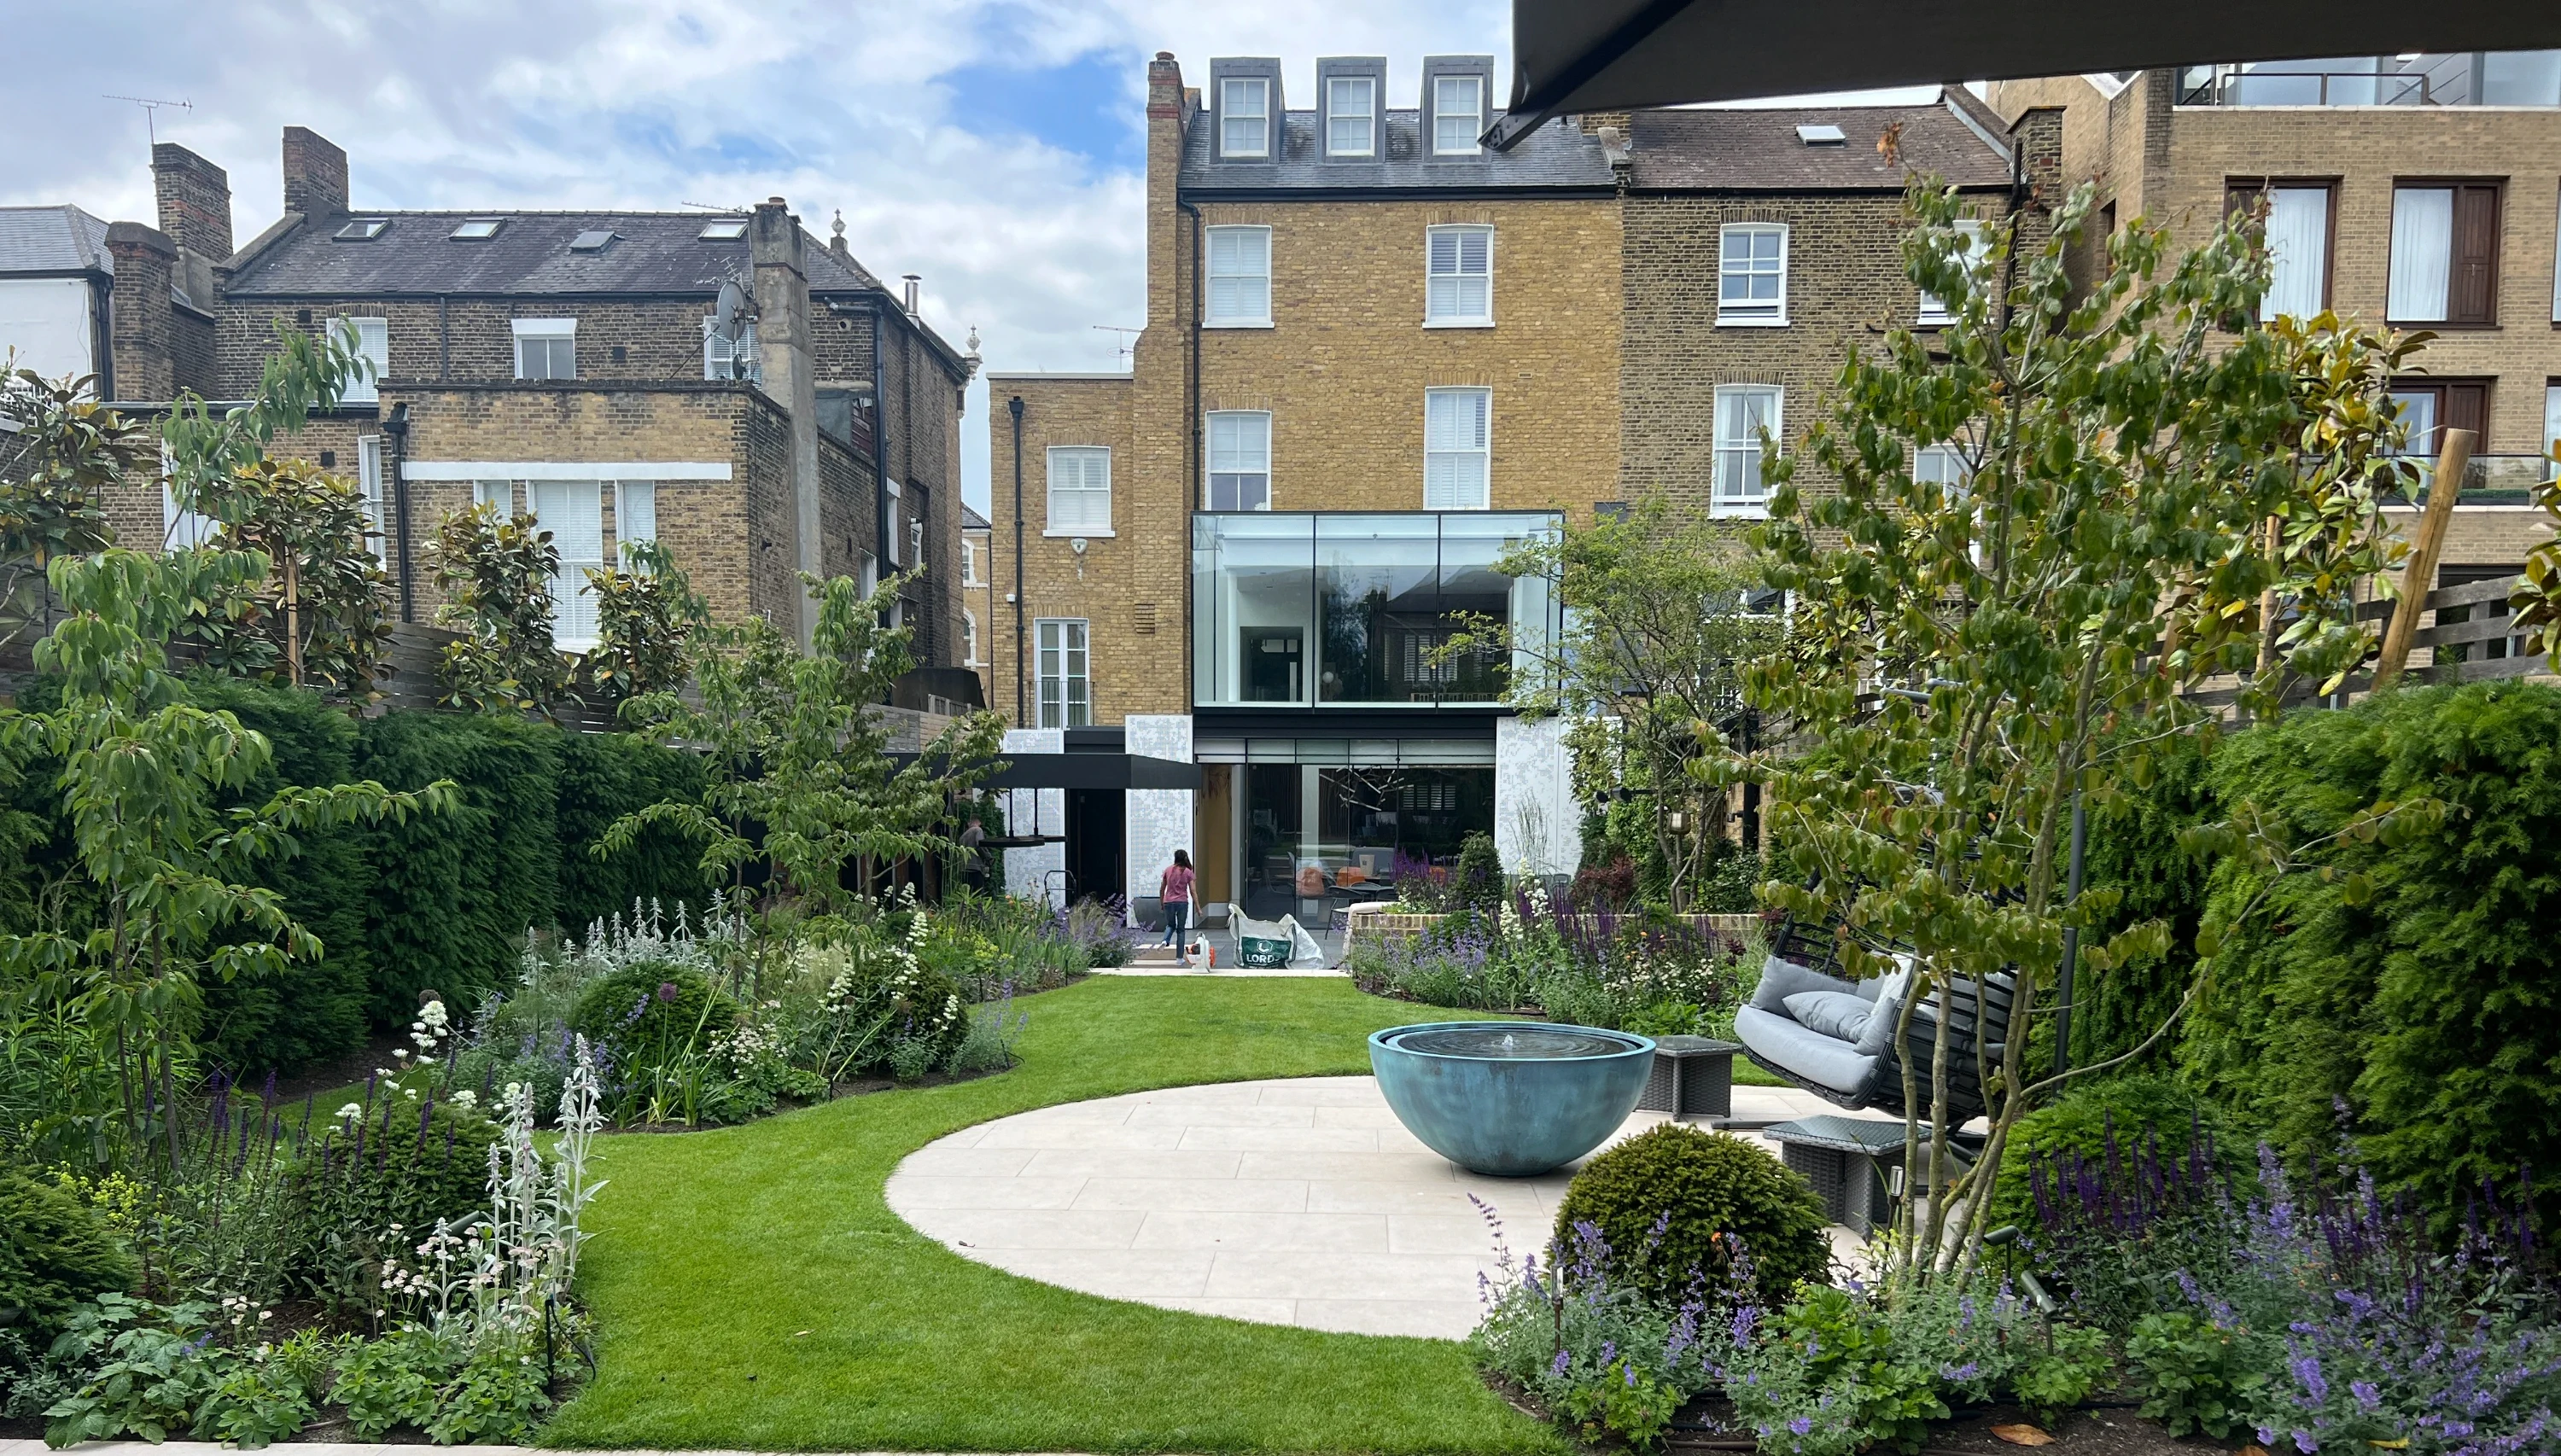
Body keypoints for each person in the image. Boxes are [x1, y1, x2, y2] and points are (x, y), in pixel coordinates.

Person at [1159, 848, 1196, 969]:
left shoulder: (1168, 870)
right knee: (1181, 930)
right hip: (1182, 902)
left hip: (1168, 902)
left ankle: (1165, 940)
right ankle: (1179, 958)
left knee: (1170, 925)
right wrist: (1199, 907)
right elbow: (1193, 891)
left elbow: (1162, 888)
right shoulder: (1188, 872)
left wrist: (1161, 902)